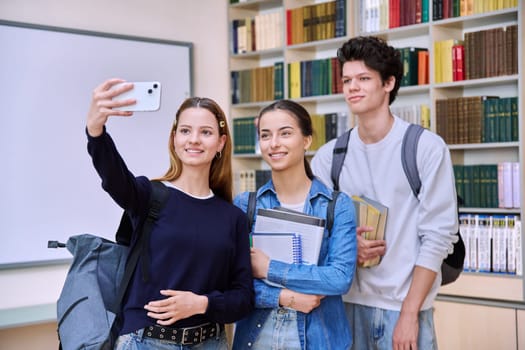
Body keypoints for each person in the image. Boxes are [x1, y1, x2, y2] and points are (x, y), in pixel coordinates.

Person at [311, 36, 459, 350]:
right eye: (347, 80)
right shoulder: (328, 156)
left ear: (388, 83)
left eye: (364, 79)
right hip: (344, 306)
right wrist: (349, 247)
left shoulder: (425, 148)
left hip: (403, 308)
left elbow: (438, 237)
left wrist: (409, 314)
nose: (353, 87)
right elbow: (317, 228)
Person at [86, 78, 254, 349]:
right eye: (185, 130)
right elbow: (113, 178)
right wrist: (96, 131)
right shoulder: (148, 195)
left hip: (210, 342)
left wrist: (201, 303)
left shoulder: (232, 217)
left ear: (221, 143)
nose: (194, 140)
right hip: (146, 342)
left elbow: (243, 298)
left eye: (206, 132)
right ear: (175, 139)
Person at [232, 99, 358, 350]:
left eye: (285, 133)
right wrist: (285, 297)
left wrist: (269, 269)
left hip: (320, 338)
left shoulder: (336, 205)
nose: (274, 143)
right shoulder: (246, 205)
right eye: (265, 135)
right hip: (258, 336)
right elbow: (232, 282)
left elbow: (339, 278)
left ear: (307, 140)